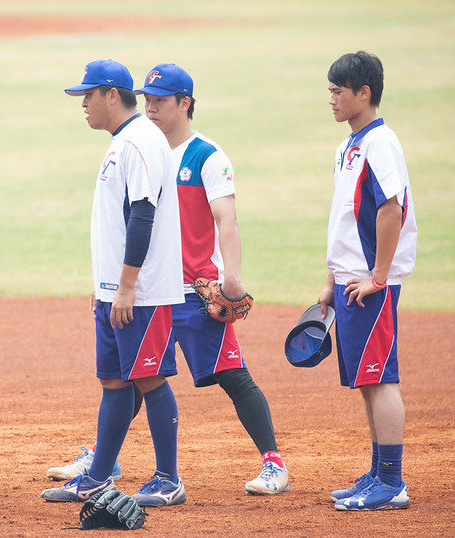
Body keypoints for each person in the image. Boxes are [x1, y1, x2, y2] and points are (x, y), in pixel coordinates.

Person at [48, 63, 290, 496]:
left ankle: (272, 463)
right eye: (148, 100)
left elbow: (226, 219)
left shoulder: (205, 156)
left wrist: (231, 277)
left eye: (161, 101)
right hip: (148, 287)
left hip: (194, 291)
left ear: (185, 103)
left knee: (230, 374)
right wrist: (110, 282)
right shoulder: (142, 146)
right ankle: (104, 459)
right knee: (134, 375)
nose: (152, 107)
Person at [40, 59, 186, 507]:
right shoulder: (122, 142)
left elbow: (143, 215)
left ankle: (169, 480)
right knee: (115, 383)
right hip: (117, 289)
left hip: (140, 292)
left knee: (150, 379)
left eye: (88, 94)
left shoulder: (140, 141)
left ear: (111, 94)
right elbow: (118, 221)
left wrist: (125, 285)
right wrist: (107, 283)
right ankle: (98, 478)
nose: (83, 103)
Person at [321, 51, 417, 511]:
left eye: (338, 90)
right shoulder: (349, 146)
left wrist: (378, 277)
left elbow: (390, 209)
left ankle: (392, 482)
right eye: (330, 90)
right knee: (366, 379)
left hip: (369, 283)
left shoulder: (380, 143)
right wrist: (330, 280)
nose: (332, 98)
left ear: (364, 93)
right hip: (349, 280)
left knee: (380, 379)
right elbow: (345, 217)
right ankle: (379, 472)